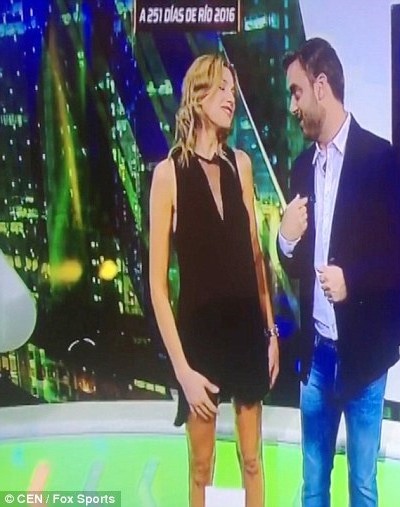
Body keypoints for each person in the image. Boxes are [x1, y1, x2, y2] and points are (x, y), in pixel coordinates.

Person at [277, 38, 400, 506]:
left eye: (296, 92)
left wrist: (351, 280)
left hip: (365, 361)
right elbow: (295, 263)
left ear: (321, 86)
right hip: (316, 358)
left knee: (362, 486)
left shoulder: (378, 159)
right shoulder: (301, 167)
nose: (293, 106)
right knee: (313, 485)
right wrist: (285, 240)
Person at [149, 53, 279, 507]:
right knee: (201, 468)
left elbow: (256, 258)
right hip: (199, 343)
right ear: (198, 95)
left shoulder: (240, 164)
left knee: (252, 460)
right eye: (222, 88)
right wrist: (182, 372)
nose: (230, 98)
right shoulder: (167, 176)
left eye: (233, 91)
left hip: (247, 333)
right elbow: (157, 288)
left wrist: (271, 332)